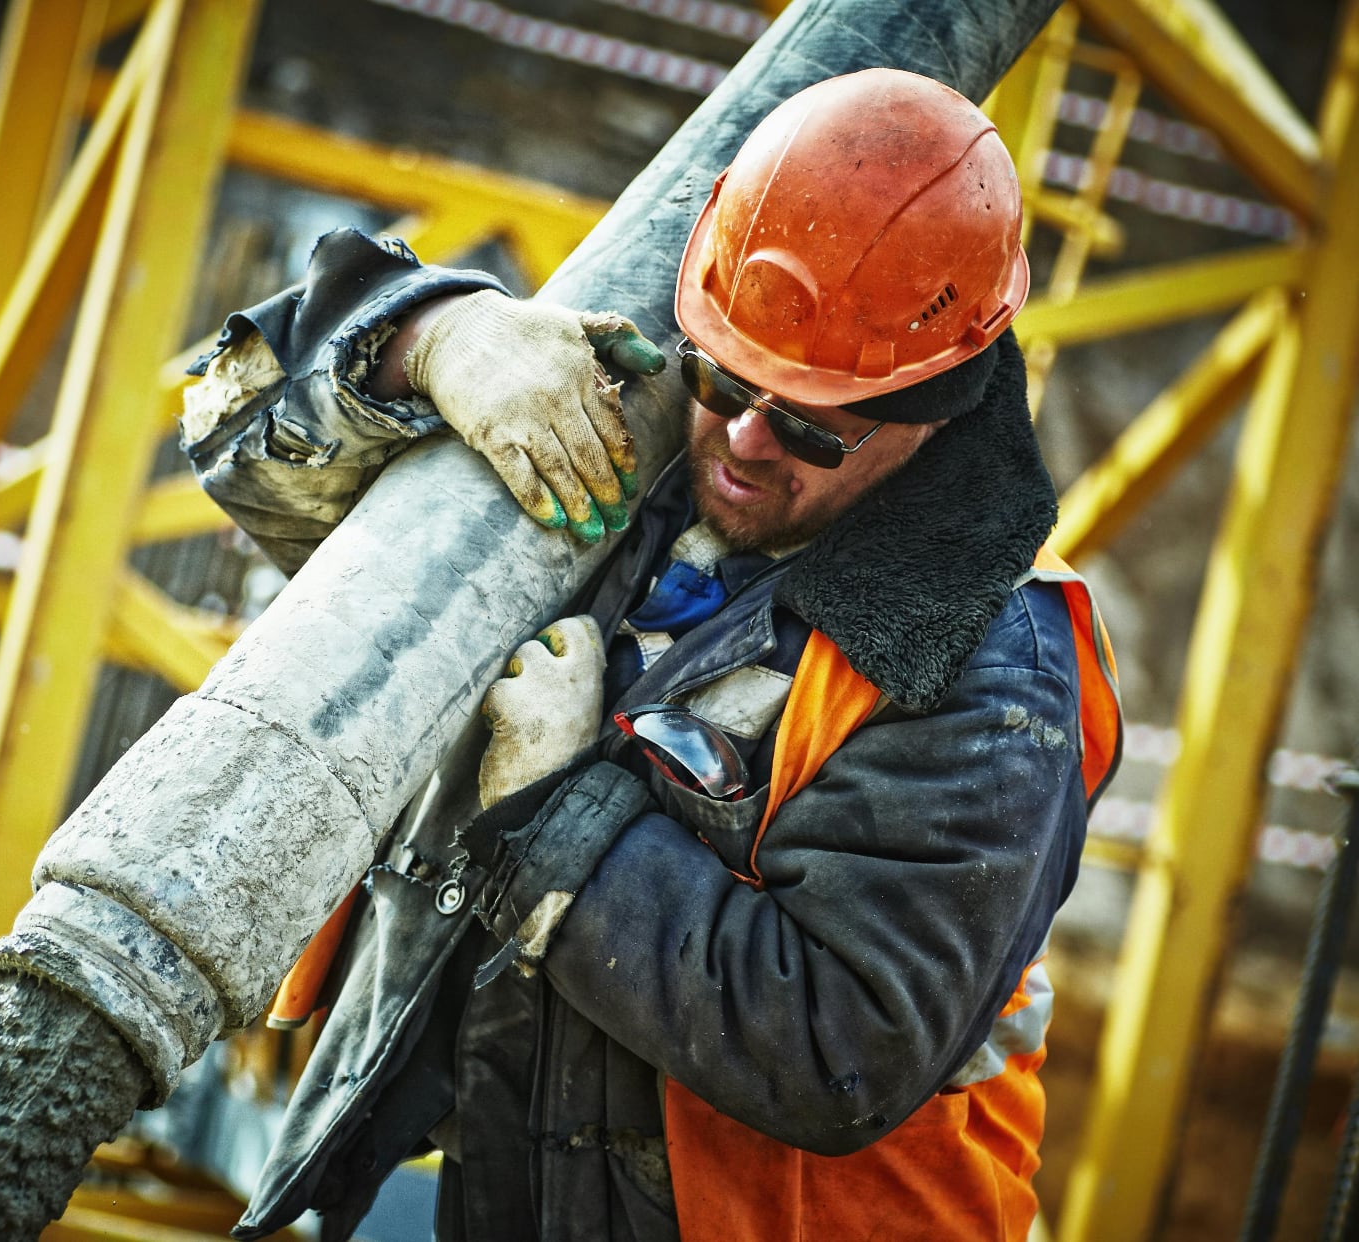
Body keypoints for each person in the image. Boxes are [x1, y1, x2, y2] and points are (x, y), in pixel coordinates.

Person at [183, 68, 1121, 1242]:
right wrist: (421, 340)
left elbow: (837, 1046)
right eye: (726, 379)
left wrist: (548, 814)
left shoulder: (991, 677)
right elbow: (236, 438)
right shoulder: (639, 426)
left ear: (932, 413)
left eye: (807, 425)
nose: (738, 438)